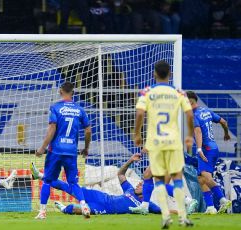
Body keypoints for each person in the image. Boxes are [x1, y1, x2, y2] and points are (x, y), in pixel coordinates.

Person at [134, 60, 194, 228]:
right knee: (176, 178)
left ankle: (166, 216)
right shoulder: (179, 92)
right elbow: (189, 115)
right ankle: (183, 214)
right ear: (170, 74)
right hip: (174, 142)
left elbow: (139, 114)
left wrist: (137, 134)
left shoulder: (147, 92)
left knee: (158, 179)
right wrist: (189, 135)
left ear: (154, 73)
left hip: (156, 142)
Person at [31, 153, 166, 215]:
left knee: (75, 209)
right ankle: (41, 176)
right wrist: (130, 160)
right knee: (69, 187)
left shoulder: (147, 205)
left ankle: (63, 209)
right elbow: (120, 174)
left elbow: (163, 211)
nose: (137, 185)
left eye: (141, 185)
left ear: (147, 190)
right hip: (102, 197)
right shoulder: (130, 189)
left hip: (106, 210)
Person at [34, 82, 92, 219]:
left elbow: (52, 128)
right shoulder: (80, 110)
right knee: (73, 182)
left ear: (61, 91)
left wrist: (42, 148)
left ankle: (42, 212)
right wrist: (86, 148)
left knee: (47, 180)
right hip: (71, 150)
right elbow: (88, 130)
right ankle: (84, 206)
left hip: (56, 150)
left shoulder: (56, 108)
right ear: (73, 92)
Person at [186, 91, 232, 214]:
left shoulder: (193, 115)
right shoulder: (206, 111)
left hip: (205, 150)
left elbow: (198, 132)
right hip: (213, 148)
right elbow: (223, 122)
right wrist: (226, 133)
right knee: (201, 178)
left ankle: (223, 200)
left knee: (205, 177)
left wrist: (199, 148)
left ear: (190, 102)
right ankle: (210, 207)